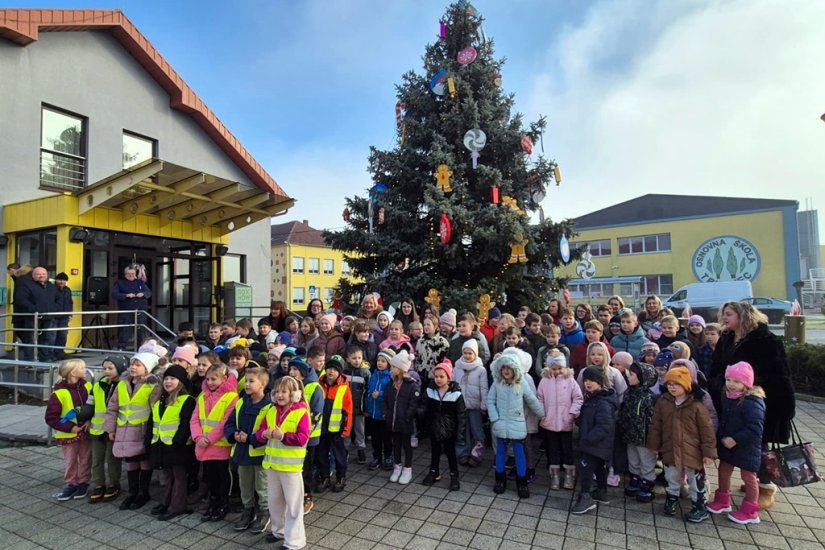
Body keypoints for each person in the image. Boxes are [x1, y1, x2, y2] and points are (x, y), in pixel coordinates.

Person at [708, 301, 795, 510]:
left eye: (728, 314)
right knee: (733, 443)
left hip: (759, 400)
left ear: (743, 315)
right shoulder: (727, 338)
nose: (724, 318)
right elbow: (717, 366)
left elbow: (780, 373)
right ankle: (749, 482)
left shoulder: (766, 340)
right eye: (723, 314)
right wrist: (718, 384)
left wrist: (784, 406)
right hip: (729, 400)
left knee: (758, 446)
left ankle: (765, 488)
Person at [648, 366, 717, 522]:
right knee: (671, 477)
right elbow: (656, 425)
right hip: (670, 448)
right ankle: (671, 498)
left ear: (686, 385)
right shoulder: (663, 402)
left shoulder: (697, 405)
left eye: (676, 384)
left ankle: (700, 505)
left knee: (695, 480)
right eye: (669, 384)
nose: (672, 387)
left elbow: (707, 430)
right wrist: (654, 445)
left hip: (692, 451)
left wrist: (708, 453)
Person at [707, 361, 766, 525]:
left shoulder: (752, 401)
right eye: (729, 380)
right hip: (728, 444)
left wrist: (736, 439)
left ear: (746, 383)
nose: (731, 385)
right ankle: (723, 500)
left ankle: (751, 511)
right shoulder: (728, 396)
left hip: (747, 447)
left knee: (749, 477)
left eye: (737, 381)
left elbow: (755, 428)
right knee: (724, 471)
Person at [103, 352, 161, 510]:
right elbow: (113, 407)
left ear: (147, 368)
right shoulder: (122, 384)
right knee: (130, 461)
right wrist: (110, 428)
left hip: (141, 430)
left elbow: (154, 409)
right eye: (132, 364)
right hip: (124, 430)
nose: (133, 367)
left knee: (143, 461)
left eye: (138, 365)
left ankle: (143, 492)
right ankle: (132, 492)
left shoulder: (152, 385)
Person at [257, 375, 310, 548]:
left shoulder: (302, 412)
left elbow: (303, 438)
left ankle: (295, 542)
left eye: (284, 392)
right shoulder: (271, 410)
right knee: (275, 502)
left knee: (294, 506)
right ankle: (278, 531)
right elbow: (260, 431)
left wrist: (283, 436)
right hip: (272, 466)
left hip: (291, 468)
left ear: (294, 394)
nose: (279, 395)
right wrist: (263, 434)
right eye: (277, 391)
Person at [487, 352, 545, 499]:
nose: (506, 371)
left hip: (517, 424)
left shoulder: (521, 383)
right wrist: (494, 418)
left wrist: (542, 415)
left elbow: (531, 400)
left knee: (519, 453)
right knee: (500, 452)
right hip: (500, 423)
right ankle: (500, 480)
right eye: (503, 368)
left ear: (515, 369)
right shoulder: (496, 384)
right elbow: (490, 401)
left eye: (509, 368)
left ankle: (522, 481)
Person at [225, 366, 272, 532]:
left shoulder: (269, 406)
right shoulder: (241, 402)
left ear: (263, 384)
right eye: (246, 381)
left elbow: (267, 431)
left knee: (262, 485)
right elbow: (230, 423)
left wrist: (250, 438)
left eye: (252, 381)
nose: (247, 384)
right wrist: (233, 434)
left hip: (259, 454)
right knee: (245, 484)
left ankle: (264, 512)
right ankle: (248, 510)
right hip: (242, 453)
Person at [190, 362, 238, 521]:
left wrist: (208, 438)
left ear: (224, 379)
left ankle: (224, 503)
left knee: (223, 476)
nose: (210, 382)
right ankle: (213, 502)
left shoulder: (231, 396)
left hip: (220, 445)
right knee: (210, 476)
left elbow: (226, 421)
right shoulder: (202, 396)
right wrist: (198, 437)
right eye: (208, 379)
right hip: (204, 444)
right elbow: (195, 419)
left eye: (214, 379)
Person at [147, 364, 196, 521]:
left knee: (179, 476)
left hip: (177, 447)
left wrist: (177, 441)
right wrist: (149, 441)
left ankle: (177, 506)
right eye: (166, 378)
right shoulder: (159, 399)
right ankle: (166, 502)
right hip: (161, 445)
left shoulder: (186, 400)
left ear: (180, 381)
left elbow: (185, 423)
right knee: (168, 476)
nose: (168, 382)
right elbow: (152, 422)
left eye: (172, 379)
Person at [570, 366, 618, 514]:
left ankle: (585, 497)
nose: (588, 383)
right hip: (595, 443)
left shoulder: (602, 402)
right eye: (586, 380)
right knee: (598, 467)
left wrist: (587, 440)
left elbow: (604, 426)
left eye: (592, 380)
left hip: (595, 443)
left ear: (600, 382)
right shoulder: (592, 398)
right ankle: (601, 491)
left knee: (586, 469)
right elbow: (588, 419)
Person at [45, 359, 92, 501]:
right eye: (82, 368)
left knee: (86, 458)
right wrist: (71, 427)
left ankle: (83, 482)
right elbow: (51, 417)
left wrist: (89, 421)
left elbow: (94, 407)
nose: (85, 370)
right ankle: (71, 483)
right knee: (70, 460)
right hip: (68, 433)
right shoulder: (59, 393)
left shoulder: (88, 386)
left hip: (85, 430)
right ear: (73, 372)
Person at [536, 351, 582, 491]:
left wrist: (572, 413)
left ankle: (569, 475)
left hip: (565, 421)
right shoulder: (544, 381)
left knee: (567, 449)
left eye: (559, 368)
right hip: (549, 421)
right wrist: (542, 414)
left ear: (565, 367)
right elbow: (540, 398)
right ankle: (554, 475)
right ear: (548, 367)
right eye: (554, 368)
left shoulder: (570, 380)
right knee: (552, 449)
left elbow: (578, 398)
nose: (557, 371)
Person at [85, 355, 127, 502]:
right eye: (104, 369)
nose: (107, 371)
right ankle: (99, 484)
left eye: (111, 368)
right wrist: (84, 418)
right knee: (97, 459)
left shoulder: (124, 385)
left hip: (114, 429)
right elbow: (90, 404)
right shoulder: (98, 384)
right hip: (97, 428)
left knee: (112, 458)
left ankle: (114, 483)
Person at [421, 360, 465, 491]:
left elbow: (461, 415)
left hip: (450, 429)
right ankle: (434, 472)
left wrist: (460, 432)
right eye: (436, 376)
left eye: (442, 377)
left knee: (451, 453)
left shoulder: (456, 394)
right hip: (434, 427)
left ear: (448, 378)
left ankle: (454, 476)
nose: (438, 379)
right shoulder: (430, 391)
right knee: (435, 451)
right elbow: (424, 407)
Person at [287, 357, 323, 515]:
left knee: (306, 468)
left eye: (296, 370)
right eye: (291, 369)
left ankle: (307, 496)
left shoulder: (314, 388)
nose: (292, 373)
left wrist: (305, 433)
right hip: (290, 438)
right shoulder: (287, 387)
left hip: (308, 438)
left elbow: (316, 414)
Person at [618, 361, 657, 503]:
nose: (628, 376)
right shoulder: (629, 392)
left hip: (644, 438)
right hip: (630, 434)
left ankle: (647, 482)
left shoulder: (649, 398)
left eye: (632, 374)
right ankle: (635, 478)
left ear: (642, 377)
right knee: (633, 459)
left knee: (646, 461)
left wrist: (653, 439)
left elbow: (653, 420)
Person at [315, 356, 352, 493]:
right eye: (329, 368)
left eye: (335, 369)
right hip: (321, 427)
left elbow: (348, 410)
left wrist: (346, 429)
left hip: (337, 429)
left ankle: (340, 477)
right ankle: (324, 477)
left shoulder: (343, 387)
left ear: (339, 372)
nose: (331, 372)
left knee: (339, 455)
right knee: (321, 454)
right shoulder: (319, 384)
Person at [385, 350, 419, 484]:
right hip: (392, 421)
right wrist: (387, 414)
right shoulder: (391, 384)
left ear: (401, 368)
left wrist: (406, 417)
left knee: (407, 445)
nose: (391, 368)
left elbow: (413, 404)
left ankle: (407, 469)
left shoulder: (412, 386)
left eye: (393, 366)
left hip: (405, 422)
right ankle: (397, 466)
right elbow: (386, 400)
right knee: (396, 445)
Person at [453, 340, 488, 466]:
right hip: (460, 405)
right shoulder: (457, 367)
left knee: (477, 430)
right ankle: (463, 453)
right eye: (465, 353)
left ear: (475, 354)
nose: (467, 356)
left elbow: (484, 389)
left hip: (475, 406)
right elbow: (453, 385)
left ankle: (477, 453)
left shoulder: (480, 370)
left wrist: (484, 406)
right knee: (462, 430)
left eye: (470, 353)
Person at [14, 265, 58, 360]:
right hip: (32, 317)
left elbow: (57, 299)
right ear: (33, 275)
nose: (41, 276)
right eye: (38, 274)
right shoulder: (26, 285)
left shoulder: (51, 286)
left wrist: (54, 309)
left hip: (48, 317)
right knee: (30, 339)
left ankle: (44, 358)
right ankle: (29, 360)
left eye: (43, 274)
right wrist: (33, 309)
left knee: (46, 339)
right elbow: (21, 299)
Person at [366, 348, 395, 471]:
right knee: (375, 437)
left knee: (387, 437)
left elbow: (392, 394)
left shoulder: (390, 377)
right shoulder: (373, 375)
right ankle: (377, 456)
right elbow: (368, 390)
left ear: (389, 363)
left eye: (383, 361)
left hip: (384, 413)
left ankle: (388, 456)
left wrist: (380, 394)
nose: (380, 363)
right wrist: (369, 396)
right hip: (373, 412)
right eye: (378, 360)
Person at [111, 266, 152, 351]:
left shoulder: (140, 282)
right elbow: (114, 294)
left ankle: (141, 348)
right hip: (126, 310)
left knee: (141, 330)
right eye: (129, 274)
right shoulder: (119, 283)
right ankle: (121, 348)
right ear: (125, 274)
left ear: (135, 274)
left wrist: (143, 294)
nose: (131, 275)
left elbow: (148, 292)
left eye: (132, 273)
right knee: (124, 329)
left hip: (140, 310)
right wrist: (126, 295)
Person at [344, 344, 371, 464]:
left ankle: (361, 449)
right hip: (346, 409)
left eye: (359, 358)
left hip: (360, 408)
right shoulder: (344, 372)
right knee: (346, 429)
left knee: (360, 429)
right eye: (354, 358)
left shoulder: (365, 373)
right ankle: (345, 450)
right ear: (348, 359)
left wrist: (366, 408)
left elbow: (368, 392)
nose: (357, 361)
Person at [415, 317, 450, 388]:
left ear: (435, 326)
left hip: (435, 378)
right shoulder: (420, 341)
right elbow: (417, 358)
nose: (426, 327)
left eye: (428, 325)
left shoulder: (442, 342)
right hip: (421, 377)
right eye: (424, 325)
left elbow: (445, 362)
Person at [52, 272, 73, 359]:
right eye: (60, 280)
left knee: (62, 335)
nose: (61, 282)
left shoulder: (68, 290)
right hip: (54, 316)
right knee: (52, 335)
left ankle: (60, 352)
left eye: (64, 280)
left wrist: (70, 314)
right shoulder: (52, 289)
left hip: (64, 316)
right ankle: (52, 353)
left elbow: (70, 302)